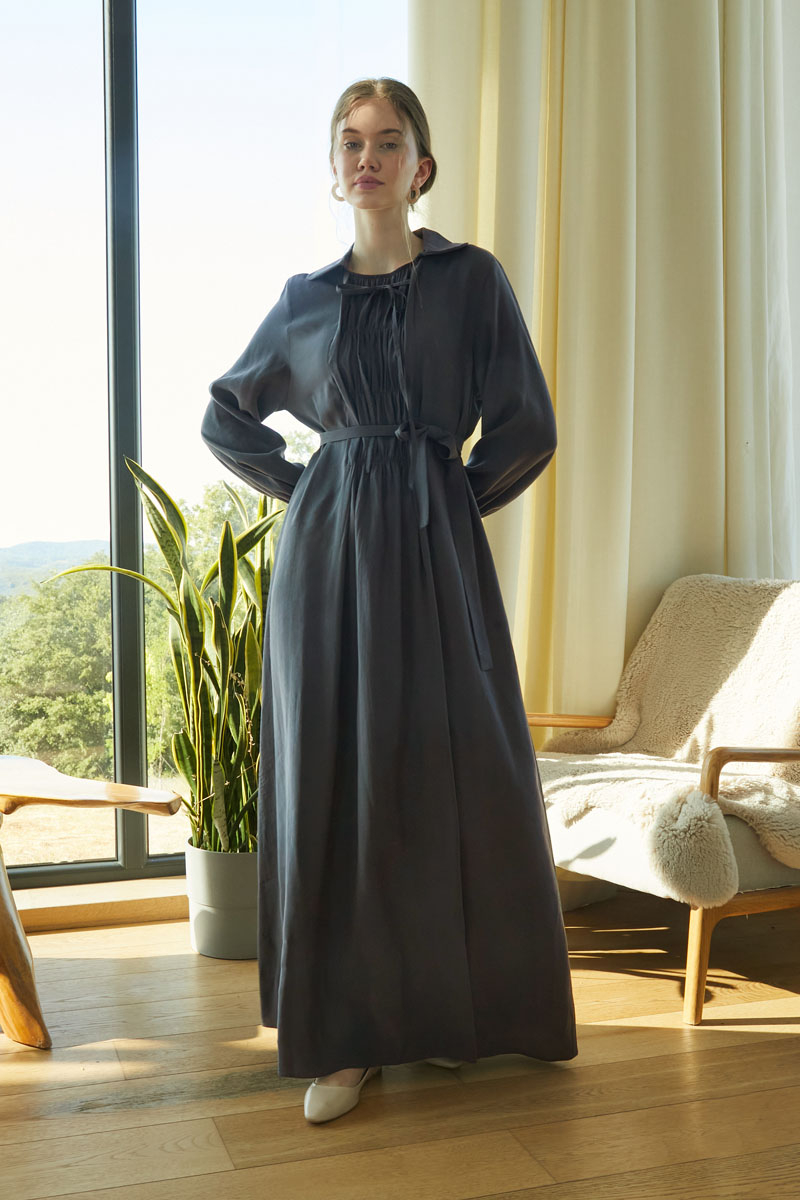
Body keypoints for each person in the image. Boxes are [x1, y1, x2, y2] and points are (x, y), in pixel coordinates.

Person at [201, 77, 578, 1125]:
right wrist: (314, 488)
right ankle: (348, 1041)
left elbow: (527, 425)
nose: (366, 157)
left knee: (452, 767)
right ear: (335, 168)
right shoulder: (302, 300)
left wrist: (448, 504)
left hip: (435, 554)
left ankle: (459, 1010)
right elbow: (227, 417)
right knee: (338, 774)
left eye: (387, 141)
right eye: (350, 142)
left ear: (420, 166)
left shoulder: (472, 281)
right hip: (327, 562)